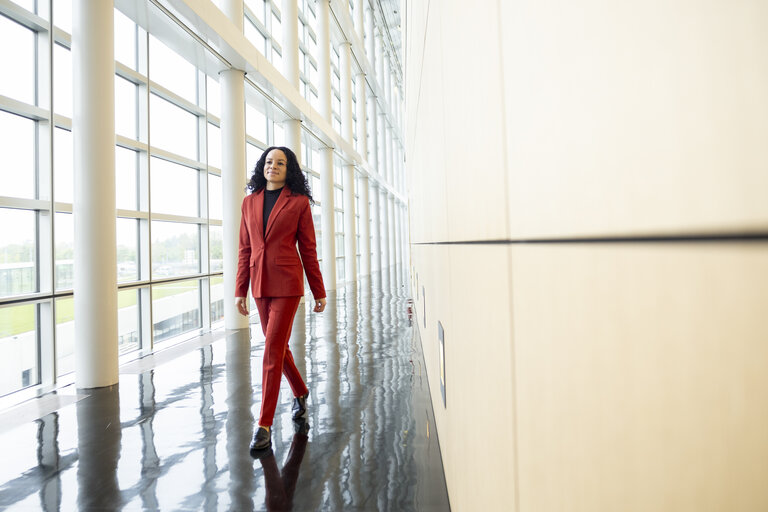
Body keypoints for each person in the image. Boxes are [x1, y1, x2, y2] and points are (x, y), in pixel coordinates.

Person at [235, 146, 326, 452]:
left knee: (271, 352)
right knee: (278, 347)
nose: (273, 166)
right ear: (262, 166)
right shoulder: (249, 202)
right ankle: (300, 390)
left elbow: (308, 250)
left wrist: (318, 290)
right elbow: (244, 250)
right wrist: (240, 289)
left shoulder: (298, 202)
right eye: (269, 161)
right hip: (259, 284)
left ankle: (264, 424)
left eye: (280, 163)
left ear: (289, 170)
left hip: (287, 285)